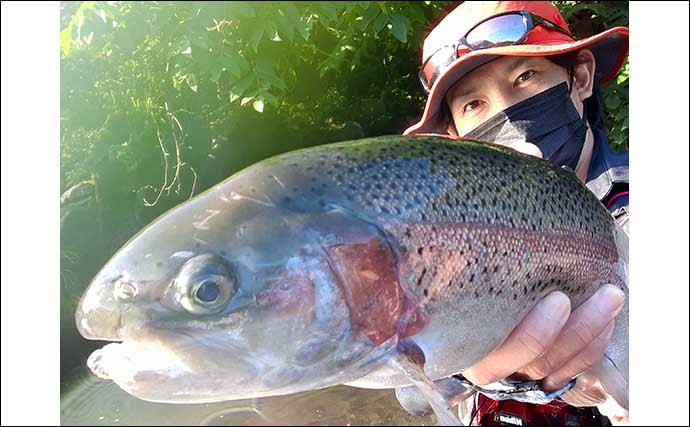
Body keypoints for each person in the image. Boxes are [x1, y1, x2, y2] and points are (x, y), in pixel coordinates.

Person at [403, 1, 629, 424]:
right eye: (473, 104)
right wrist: (476, 371)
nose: (506, 114)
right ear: (456, 137)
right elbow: (411, 392)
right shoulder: (444, 233)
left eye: (525, 77)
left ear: (579, 77)